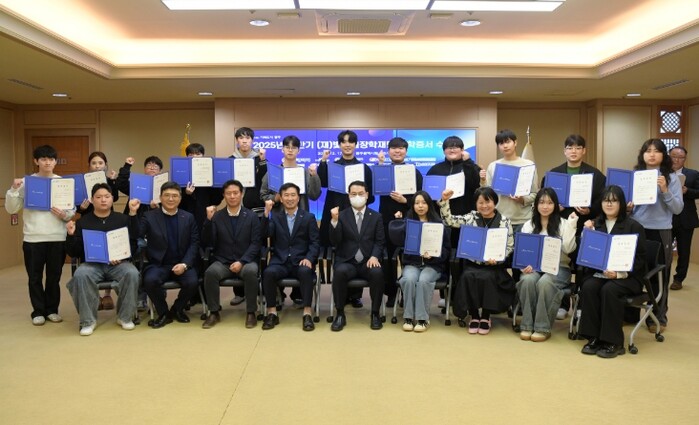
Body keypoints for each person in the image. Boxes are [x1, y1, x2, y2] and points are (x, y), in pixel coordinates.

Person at [5, 145, 75, 326]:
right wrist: (13, 189)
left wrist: (64, 214)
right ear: (36, 161)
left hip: (57, 238)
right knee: (34, 277)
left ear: (55, 162)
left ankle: (52, 310)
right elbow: (11, 209)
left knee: (54, 277)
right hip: (33, 238)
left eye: (51, 159)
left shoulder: (62, 183)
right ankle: (37, 311)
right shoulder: (25, 183)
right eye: (43, 159)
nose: (47, 162)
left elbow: (71, 212)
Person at [541, 134, 606, 320]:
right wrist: (555, 207)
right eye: (570, 148)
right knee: (559, 263)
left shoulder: (596, 175)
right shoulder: (553, 174)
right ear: (564, 151)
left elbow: (603, 202)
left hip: (585, 227)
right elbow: (543, 200)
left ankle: (581, 304)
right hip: (559, 226)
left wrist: (589, 210)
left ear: (584, 151)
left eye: (578, 148)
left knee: (584, 266)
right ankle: (562, 304)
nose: (573, 151)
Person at [578, 185, 647, 358]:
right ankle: (593, 337)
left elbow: (640, 260)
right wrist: (586, 235)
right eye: (606, 200)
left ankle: (613, 342)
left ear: (621, 203)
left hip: (627, 277)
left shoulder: (634, 226)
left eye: (614, 201)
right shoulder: (595, 224)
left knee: (609, 289)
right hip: (601, 273)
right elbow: (587, 254)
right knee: (589, 287)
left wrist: (619, 274)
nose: (609, 204)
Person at [65, 183, 140, 336]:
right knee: (80, 274)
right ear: (92, 200)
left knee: (132, 273)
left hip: (118, 264)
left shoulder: (122, 219)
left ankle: (125, 317)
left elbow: (133, 243)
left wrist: (122, 256)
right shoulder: (83, 222)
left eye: (107, 196)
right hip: (92, 264)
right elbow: (74, 252)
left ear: (112, 198)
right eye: (99, 197)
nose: (103, 200)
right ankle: (88, 321)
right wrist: (71, 235)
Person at [439, 187, 515, 335]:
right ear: (476, 204)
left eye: (488, 202)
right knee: (468, 276)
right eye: (480, 202)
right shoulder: (471, 217)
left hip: (494, 266)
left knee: (488, 277)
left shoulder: (504, 221)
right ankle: (474, 315)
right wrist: (445, 201)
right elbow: (449, 221)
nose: (484, 206)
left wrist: (499, 258)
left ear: (495, 202)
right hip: (473, 264)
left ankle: (486, 316)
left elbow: (510, 246)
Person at [260, 135, 321, 306]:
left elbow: (314, 194)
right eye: (287, 147)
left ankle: (298, 293)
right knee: (280, 253)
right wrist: (276, 198)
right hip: (278, 220)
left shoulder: (304, 172)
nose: (290, 150)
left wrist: (314, 176)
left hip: (301, 220)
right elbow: (262, 194)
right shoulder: (273, 172)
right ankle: (277, 295)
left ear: (298, 151)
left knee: (300, 252)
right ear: (282, 149)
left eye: (294, 147)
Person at [629, 139, 683, 333]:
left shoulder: (671, 178)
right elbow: (627, 206)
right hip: (636, 229)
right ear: (642, 154)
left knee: (659, 275)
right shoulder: (635, 176)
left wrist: (665, 190)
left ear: (663, 155)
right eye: (648, 151)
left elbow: (678, 209)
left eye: (656, 151)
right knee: (633, 272)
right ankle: (630, 314)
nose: (652, 155)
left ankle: (657, 317)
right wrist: (627, 207)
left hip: (660, 231)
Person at [318, 130, 374, 308]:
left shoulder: (364, 168)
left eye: (351, 142)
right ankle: (340, 294)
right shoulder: (333, 166)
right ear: (339, 145)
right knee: (340, 252)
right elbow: (323, 182)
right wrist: (323, 161)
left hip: (357, 215)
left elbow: (371, 195)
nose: (347, 145)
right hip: (336, 213)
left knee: (358, 250)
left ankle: (356, 296)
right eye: (344, 142)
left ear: (356, 145)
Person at [516, 188, 578, 342]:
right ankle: (527, 325)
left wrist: (572, 225)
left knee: (545, 282)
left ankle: (542, 327)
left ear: (555, 205)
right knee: (527, 280)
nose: (545, 206)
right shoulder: (529, 225)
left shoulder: (564, 224)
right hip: (535, 267)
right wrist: (524, 265)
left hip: (559, 268)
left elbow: (569, 249)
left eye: (550, 203)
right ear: (536, 205)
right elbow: (523, 251)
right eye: (542, 202)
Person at [427, 135, 480, 307]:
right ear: (444, 150)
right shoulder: (435, 169)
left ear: (462, 150)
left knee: (464, 259)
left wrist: (468, 162)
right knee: (444, 258)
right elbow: (428, 195)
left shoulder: (470, 166)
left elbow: (476, 184)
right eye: (449, 147)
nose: (452, 149)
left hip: (465, 222)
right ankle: (445, 295)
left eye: (456, 146)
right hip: (442, 221)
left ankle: (463, 295)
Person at [201, 179, 262, 329]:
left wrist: (242, 261)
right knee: (210, 273)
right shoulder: (217, 216)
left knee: (251, 272)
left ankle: (251, 312)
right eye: (228, 193)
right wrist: (208, 220)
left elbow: (256, 243)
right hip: (223, 261)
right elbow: (207, 241)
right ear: (224, 195)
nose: (232, 196)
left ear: (242, 194)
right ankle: (214, 312)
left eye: (235, 193)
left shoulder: (252, 216)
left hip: (246, 261)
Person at [481, 129, 539, 285]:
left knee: (520, 264)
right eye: (501, 143)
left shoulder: (528, 165)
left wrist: (522, 199)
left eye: (507, 142)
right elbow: (487, 195)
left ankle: (519, 296)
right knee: (498, 262)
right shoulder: (494, 166)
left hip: (522, 221)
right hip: (500, 221)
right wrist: (483, 181)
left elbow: (535, 194)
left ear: (515, 142)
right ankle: (502, 294)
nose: (505, 146)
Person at [260, 183, 320, 331]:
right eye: (286, 195)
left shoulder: (309, 217)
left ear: (298, 198)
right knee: (268, 273)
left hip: (301, 261)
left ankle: (307, 313)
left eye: (293, 195)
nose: (290, 198)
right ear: (281, 198)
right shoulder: (275, 217)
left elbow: (315, 243)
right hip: (280, 261)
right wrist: (266, 214)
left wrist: (309, 258)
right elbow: (265, 234)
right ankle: (272, 313)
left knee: (306, 271)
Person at [139, 182, 200, 329]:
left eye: (174, 196)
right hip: (158, 264)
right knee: (150, 280)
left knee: (193, 282)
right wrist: (133, 214)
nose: (171, 199)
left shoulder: (188, 217)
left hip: (181, 262)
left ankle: (177, 309)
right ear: (160, 197)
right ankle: (163, 313)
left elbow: (194, 243)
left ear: (180, 198)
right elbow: (137, 234)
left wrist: (184, 264)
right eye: (167, 195)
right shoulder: (149, 216)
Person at [328, 180, 385, 331]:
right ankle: (340, 314)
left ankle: (375, 314)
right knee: (339, 272)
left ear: (367, 195)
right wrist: (334, 221)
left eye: (360, 193)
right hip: (348, 261)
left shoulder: (376, 216)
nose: (357, 197)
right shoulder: (341, 215)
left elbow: (380, 241)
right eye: (353, 194)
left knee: (377, 273)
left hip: (368, 261)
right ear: (348, 196)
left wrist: (374, 256)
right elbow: (335, 241)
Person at [376, 137, 424, 308]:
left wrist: (405, 201)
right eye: (394, 148)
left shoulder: (414, 172)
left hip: (409, 220)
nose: (397, 151)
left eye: (401, 148)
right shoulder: (382, 170)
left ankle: (406, 293)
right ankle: (390, 293)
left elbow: (422, 200)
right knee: (388, 259)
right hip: (386, 221)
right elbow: (373, 191)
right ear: (389, 151)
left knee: (408, 258)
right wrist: (380, 166)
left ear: (406, 151)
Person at [393, 191, 449, 333]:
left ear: (429, 205)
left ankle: (423, 319)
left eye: (424, 203)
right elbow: (397, 242)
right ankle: (408, 317)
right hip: (412, 263)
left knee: (424, 280)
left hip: (433, 265)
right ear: (413, 206)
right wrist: (400, 223)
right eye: (417, 203)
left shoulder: (438, 224)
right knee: (409, 279)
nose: (420, 206)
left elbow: (446, 249)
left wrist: (434, 255)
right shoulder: (408, 223)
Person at [77, 151, 120, 311]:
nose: (97, 166)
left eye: (100, 163)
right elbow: (78, 207)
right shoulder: (82, 182)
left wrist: (113, 181)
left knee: (110, 253)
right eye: (94, 163)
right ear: (89, 165)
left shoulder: (109, 180)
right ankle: (94, 296)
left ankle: (107, 295)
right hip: (89, 221)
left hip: (108, 220)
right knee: (93, 255)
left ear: (105, 165)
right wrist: (82, 208)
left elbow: (115, 198)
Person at [228, 127, 266, 306]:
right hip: (235, 211)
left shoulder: (259, 159)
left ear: (252, 141)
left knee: (256, 248)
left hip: (256, 211)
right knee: (236, 247)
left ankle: (259, 289)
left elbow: (265, 183)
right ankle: (239, 291)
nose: (244, 141)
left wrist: (263, 162)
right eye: (241, 138)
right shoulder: (230, 160)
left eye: (248, 138)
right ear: (237, 140)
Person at [669, 146, 699, 290]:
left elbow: (698, 192)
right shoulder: (662, 174)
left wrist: (687, 191)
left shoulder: (693, 174)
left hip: (686, 219)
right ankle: (661, 276)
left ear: (685, 159)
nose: (676, 160)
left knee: (684, 251)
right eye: (674, 156)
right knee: (664, 251)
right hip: (666, 218)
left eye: (680, 157)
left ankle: (678, 279)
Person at [180, 143, 224, 233]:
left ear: (203, 156)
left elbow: (216, 200)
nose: (194, 157)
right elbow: (176, 201)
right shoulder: (181, 173)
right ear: (187, 157)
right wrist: (186, 193)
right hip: (185, 216)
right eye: (191, 154)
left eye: (198, 154)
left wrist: (216, 182)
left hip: (205, 215)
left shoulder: (210, 173)